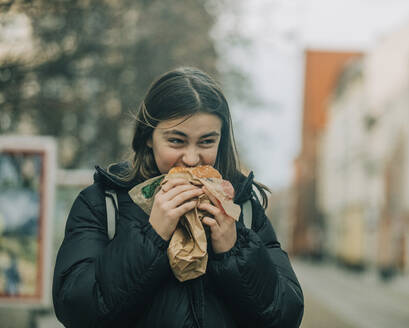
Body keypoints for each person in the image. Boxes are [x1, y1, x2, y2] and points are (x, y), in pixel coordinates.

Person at [52, 67, 304, 328]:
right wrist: (151, 235)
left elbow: (286, 315)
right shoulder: (103, 204)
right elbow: (76, 310)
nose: (192, 158)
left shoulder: (245, 208)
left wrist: (234, 250)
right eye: (176, 141)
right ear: (149, 137)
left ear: (221, 140)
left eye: (206, 142)